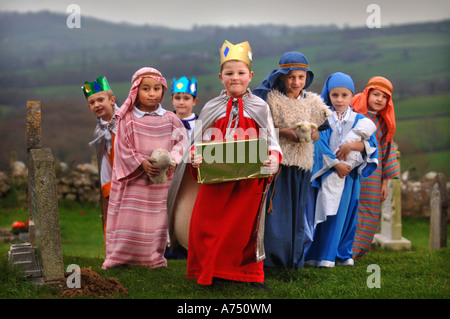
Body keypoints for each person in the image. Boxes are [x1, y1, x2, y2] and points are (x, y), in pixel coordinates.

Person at [167, 40, 281, 288]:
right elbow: (198, 141)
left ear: (250, 76)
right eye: (229, 74)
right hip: (216, 179)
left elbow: (271, 140)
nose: (235, 78)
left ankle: (248, 275)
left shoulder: (260, 107)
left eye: (241, 73)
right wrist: (195, 156)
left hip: (249, 181)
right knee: (208, 224)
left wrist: (273, 157)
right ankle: (212, 272)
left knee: (245, 228)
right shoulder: (211, 107)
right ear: (221, 77)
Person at [102, 67, 187, 269]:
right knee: (129, 221)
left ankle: (152, 259)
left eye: (157, 88)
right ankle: (119, 259)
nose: (152, 93)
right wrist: (142, 162)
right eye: (146, 89)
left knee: (155, 221)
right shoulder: (128, 119)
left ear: (163, 91)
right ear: (135, 92)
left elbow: (182, 143)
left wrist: (171, 160)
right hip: (133, 182)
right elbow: (122, 146)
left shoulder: (170, 119)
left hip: (158, 182)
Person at [253, 51, 330, 269]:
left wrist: (311, 134)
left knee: (298, 211)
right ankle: (272, 260)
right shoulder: (272, 100)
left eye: (301, 77)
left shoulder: (313, 103)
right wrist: (283, 132)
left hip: (303, 163)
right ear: (282, 77)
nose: (296, 82)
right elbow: (263, 129)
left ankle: (293, 260)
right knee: (276, 212)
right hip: (279, 162)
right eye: (291, 77)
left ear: (307, 78)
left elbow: (318, 132)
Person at [305, 72, 378, 268]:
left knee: (346, 215)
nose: (339, 99)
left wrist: (352, 147)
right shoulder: (323, 119)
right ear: (328, 95)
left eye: (344, 95)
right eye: (334, 95)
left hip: (350, 177)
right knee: (327, 213)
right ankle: (322, 256)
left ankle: (342, 253)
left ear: (352, 95)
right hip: (329, 172)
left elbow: (371, 145)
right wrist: (335, 164)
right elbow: (319, 143)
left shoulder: (359, 120)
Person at [351, 76, 399, 258]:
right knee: (349, 207)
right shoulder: (353, 115)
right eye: (376, 94)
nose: (379, 99)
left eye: (384, 97)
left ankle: (358, 250)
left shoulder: (386, 124)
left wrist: (384, 182)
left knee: (369, 209)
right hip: (351, 169)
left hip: (373, 174)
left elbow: (387, 153)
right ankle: (343, 248)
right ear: (367, 94)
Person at [82, 76, 119, 236]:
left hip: (127, 178)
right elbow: (103, 159)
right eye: (92, 102)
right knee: (111, 216)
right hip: (109, 179)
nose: (97, 105)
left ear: (112, 100)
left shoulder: (126, 120)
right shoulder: (98, 131)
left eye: (100, 100)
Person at [171, 76, 199, 140]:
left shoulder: (201, 124)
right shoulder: (167, 123)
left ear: (194, 101)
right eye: (177, 98)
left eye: (186, 98)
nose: (181, 102)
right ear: (172, 100)